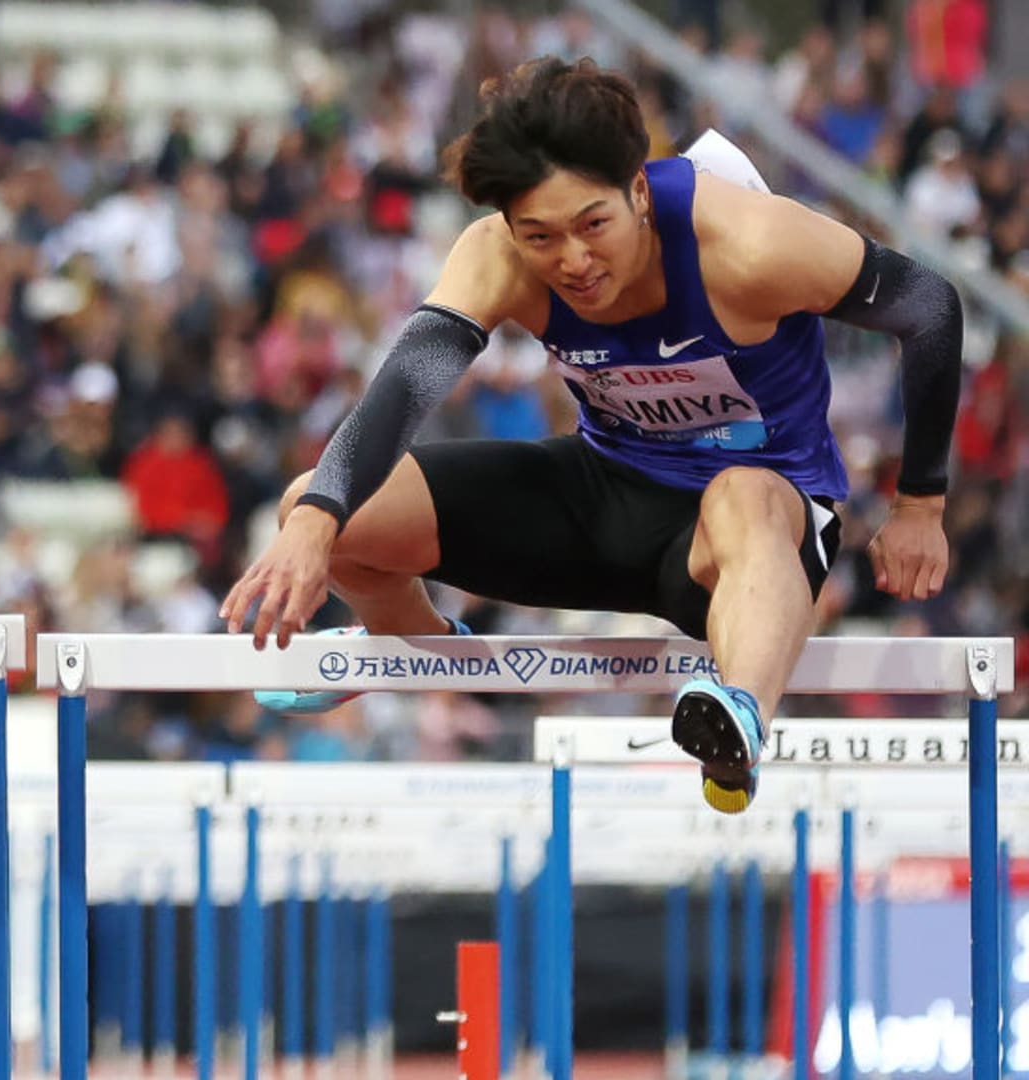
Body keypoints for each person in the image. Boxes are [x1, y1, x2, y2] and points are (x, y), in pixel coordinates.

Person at [221, 58, 961, 814]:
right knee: (316, 503)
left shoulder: (748, 242)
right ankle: (414, 647)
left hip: (744, 536)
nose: (573, 261)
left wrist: (920, 505)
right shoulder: (496, 254)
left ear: (638, 191)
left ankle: (736, 719)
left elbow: (930, 308)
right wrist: (313, 525)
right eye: (541, 236)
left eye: (592, 225)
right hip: (603, 493)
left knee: (742, 496)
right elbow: (407, 383)